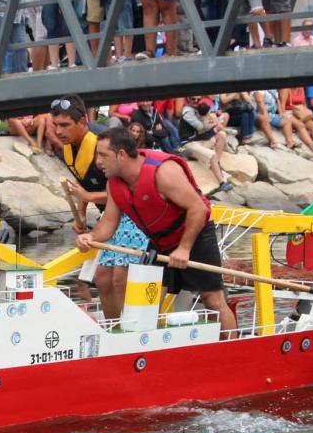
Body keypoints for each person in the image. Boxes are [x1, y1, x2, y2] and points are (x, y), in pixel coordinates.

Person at [76, 126, 238, 334]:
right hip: (160, 241)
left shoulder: (163, 172)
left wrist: (184, 248)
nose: (98, 162)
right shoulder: (114, 183)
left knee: (213, 299)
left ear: (122, 155)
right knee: (146, 301)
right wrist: (90, 236)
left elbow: (197, 208)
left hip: (194, 234)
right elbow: (108, 223)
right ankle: (145, 351)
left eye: (103, 155)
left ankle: (230, 349)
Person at [51, 94, 150, 318]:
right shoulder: (68, 148)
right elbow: (83, 185)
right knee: (102, 278)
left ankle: (130, 326)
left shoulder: (101, 144)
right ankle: (114, 327)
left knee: (117, 277)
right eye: (55, 125)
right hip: (109, 219)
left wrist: (87, 196)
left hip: (132, 215)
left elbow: (121, 190)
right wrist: (82, 214)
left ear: (83, 122)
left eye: (65, 125)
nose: (58, 132)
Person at [180, 95, 233, 189]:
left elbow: (208, 126)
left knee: (222, 134)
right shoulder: (187, 112)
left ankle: (215, 163)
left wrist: (213, 120)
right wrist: (212, 122)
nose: (196, 101)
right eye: (193, 98)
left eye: (198, 99)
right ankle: (222, 183)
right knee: (212, 154)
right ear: (187, 99)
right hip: (189, 144)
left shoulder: (198, 109)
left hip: (200, 141)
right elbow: (201, 128)